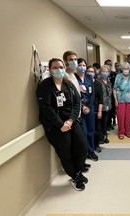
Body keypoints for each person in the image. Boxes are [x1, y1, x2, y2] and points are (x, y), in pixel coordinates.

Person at [36, 58, 88, 191]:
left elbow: (77, 103)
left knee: (82, 147)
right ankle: (75, 176)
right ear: (50, 69)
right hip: (55, 125)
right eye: (55, 67)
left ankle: (77, 171)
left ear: (64, 67)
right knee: (65, 153)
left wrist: (70, 120)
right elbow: (46, 108)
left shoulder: (68, 84)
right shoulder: (45, 86)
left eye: (61, 67)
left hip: (71, 121)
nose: (59, 70)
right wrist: (61, 124)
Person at [75, 58, 98, 161]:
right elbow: (75, 95)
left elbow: (92, 94)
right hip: (80, 109)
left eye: (84, 65)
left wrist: (88, 106)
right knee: (83, 132)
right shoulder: (74, 78)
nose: (82, 67)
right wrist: (82, 107)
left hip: (90, 108)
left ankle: (91, 150)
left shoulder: (89, 77)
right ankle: (85, 152)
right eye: (80, 65)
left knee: (91, 130)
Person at [113, 62, 130, 139]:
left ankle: (127, 131)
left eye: (127, 68)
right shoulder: (118, 76)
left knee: (128, 116)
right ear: (122, 69)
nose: (126, 70)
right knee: (120, 116)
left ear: (129, 69)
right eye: (124, 68)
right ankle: (121, 132)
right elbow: (114, 89)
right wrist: (116, 100)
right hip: (120, 99)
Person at [86, 66, 103, 153]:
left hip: (96, 109)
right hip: (86, 110)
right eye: (88, 71)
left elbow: (101, 99)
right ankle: (88, 147)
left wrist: (100, 111)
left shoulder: (98, 84)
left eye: (92, 71)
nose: (90, 73)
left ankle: (95, 145)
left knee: (96, 129)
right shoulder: (84, 83)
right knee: (87, 130)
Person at [97, 66, 112, 144]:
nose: (105, 73)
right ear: (100, 72)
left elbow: (110, 94)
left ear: (109, 73)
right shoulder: (97, 81)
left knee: (105, 123)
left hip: (108, 106)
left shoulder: (109, 82)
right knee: (99, 123)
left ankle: (105, 136)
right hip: (100, 106)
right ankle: (100, 138)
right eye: (103, 71)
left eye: (106, 71)